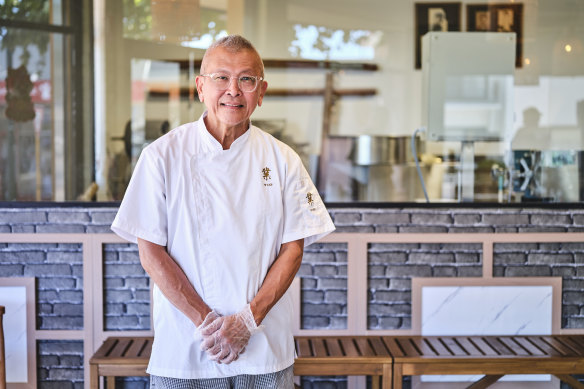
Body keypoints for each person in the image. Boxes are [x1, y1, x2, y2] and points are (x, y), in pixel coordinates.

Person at [111, 35, 335, 388]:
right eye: (221, 78)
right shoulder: (162, 156)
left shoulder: (282, 159)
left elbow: (293, 249)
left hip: (263, 349)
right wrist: (208, 323)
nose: (233, 90)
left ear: (261, 92)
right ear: (200, 87)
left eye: (246, 79)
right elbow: (150, 251)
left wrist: (247, 322)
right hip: (186, 349)